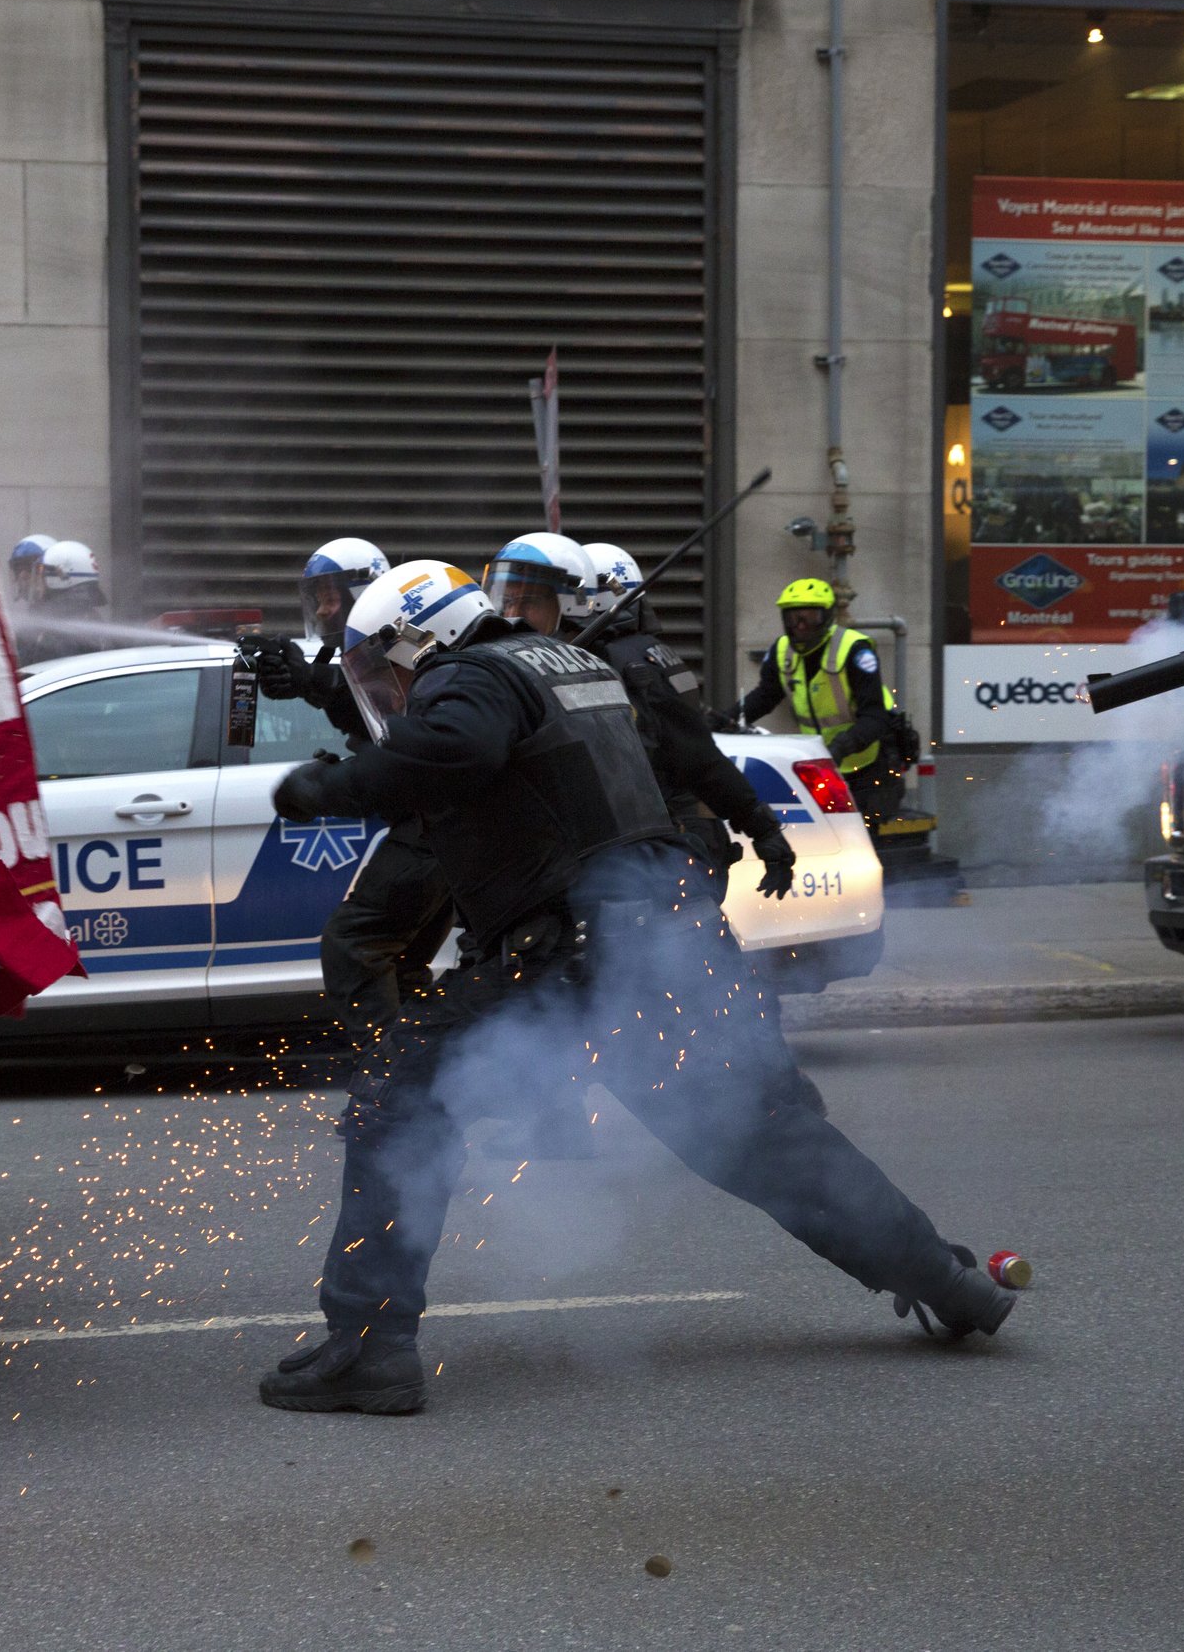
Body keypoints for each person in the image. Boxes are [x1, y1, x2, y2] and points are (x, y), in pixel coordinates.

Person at [259, 561, 1013, 1415]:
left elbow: (455, 747)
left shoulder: (470, 675)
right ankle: (947, 1279)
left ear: (419, 637)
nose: (388, 692)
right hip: (675, 940)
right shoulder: (563, 663)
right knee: (766, 1139)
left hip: (578, 952)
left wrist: (328, 787)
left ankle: (368, 1348)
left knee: (398, 1097)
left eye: (382, 669)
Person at [249, 537, 458, 1066]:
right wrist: (310, 682)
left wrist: (329, 780)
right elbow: (372, 715)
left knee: (355, 945)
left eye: (331, 596)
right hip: (436, 823)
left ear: (361, 592)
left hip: (436, 825)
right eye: (315, 597)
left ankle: (395, 1087)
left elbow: (398, 723)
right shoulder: (367, 650)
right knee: (401, 964)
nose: (322, 609)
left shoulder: (408, 641)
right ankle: (434, 1081)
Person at [573, 541, 797, 898]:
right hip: (652, 843)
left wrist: (763, 829)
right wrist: (762, 829)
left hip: (659, 844)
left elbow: (697, 758)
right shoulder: (646, 655)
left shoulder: (626, 666)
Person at [728, 577, 906, 829]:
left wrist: (842, 746)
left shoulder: (854, 650)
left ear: (828, 617)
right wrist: (727, 718)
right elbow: (765, 696)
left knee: (864, 833)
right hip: (821, 763)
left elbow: (876, 716)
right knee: (825, 831)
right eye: (793, 619)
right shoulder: (782, 651)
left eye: (810, 618)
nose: (800, 627)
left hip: (867, 762)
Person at [12, 538, 109, 666]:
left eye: (42, 575)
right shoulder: (90, 620)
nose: (38, 583)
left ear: (60, 578)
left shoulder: (57, 637)